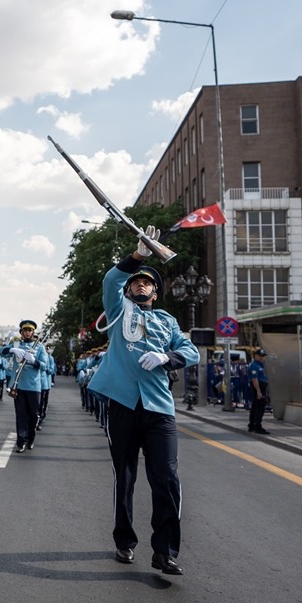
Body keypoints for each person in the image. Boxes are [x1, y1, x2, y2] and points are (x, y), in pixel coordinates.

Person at [88, 225, 199, 576]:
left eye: (148, 282)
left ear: (155, 292)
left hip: (158, 407)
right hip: (123, 403)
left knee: (166, 478)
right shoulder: (119, 310)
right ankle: (125, 541)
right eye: (136, 280)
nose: (141, 283)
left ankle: (165, 551)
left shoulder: (167, 321)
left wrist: (168, 358)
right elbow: (110, 279)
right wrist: (139, 255)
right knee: (125, 476)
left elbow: (190, 350)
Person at [0, 320, 45, 452]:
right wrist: (11, 349)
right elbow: (0, 351)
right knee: (21, 415)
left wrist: (34, 361)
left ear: (33, 332)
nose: (27, 332)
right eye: (25, 330)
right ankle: (21, 442)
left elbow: (45, 365)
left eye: (29, 330)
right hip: (18, 385)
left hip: (33, 386)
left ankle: (31, 438)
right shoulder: (16, 344)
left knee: (33, 414)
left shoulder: (39, 347)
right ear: (21, 332)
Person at [247, 348, 270, 434]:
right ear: (255, 356)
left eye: (263, 356)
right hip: (258, 387)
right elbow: (254, 379)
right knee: (259, 407)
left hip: (261, 386)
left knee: (255, 406)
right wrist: (258, 391)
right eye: (260, 356)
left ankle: (252, 425)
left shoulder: (261, 365)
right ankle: (257, 426)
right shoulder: (254, 366)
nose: (262, 358)